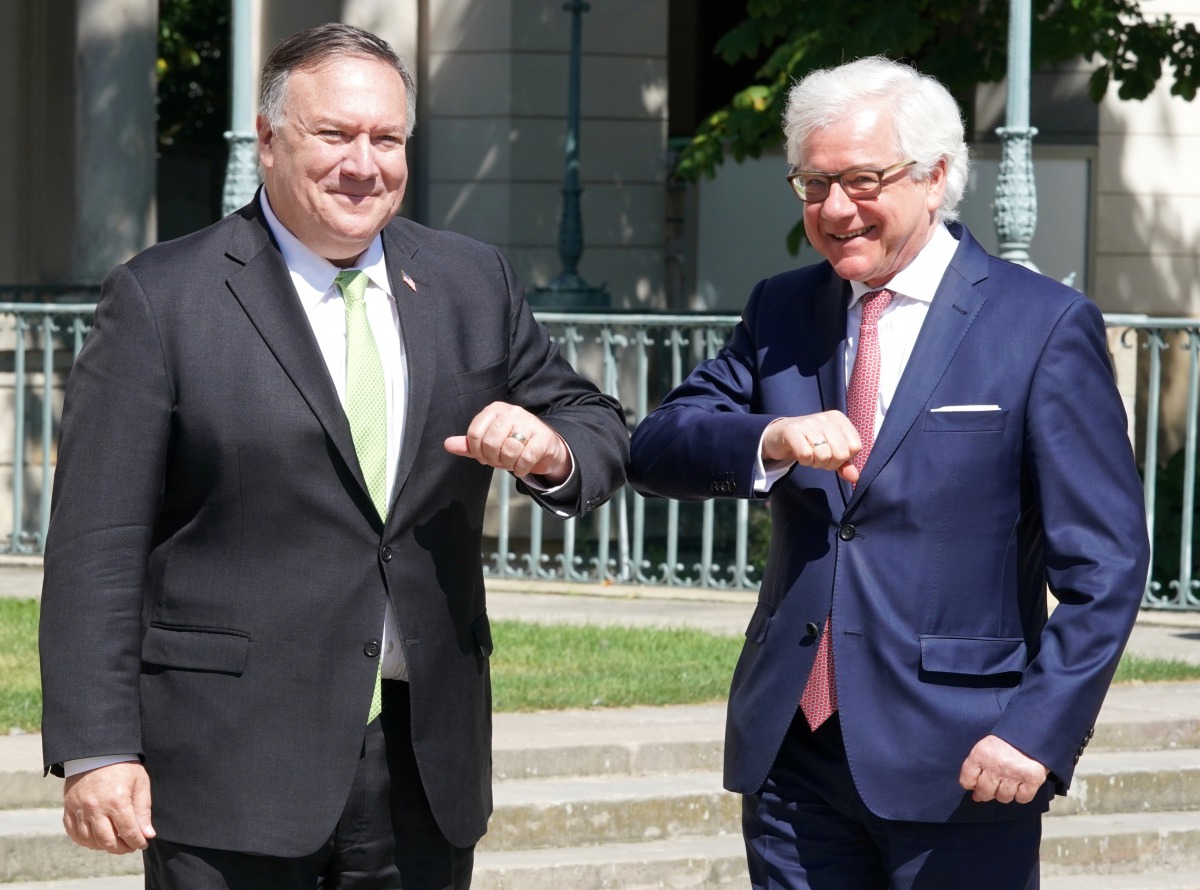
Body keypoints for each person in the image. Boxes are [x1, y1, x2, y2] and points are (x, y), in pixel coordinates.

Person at [38, 22, 628, 890]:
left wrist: (552, 452)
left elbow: (593, 420)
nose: (365, 164)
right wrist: (96, 747)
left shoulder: (472, 280)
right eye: (336, 135)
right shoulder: (163, 298)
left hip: (424, 768)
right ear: (270, 139)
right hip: (229, 765)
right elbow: (97, 542)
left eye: (386, 139)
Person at [628, 56, 1148, 889]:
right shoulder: (781, 310)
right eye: (812, 184)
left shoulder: (1041, 325)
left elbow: (1107, 565)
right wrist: (773, 438)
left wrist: (1038, 730)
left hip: (964, 763)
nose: (833, 210)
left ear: (937, 176)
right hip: (791, 754)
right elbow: (656, 446)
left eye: (862, 181)